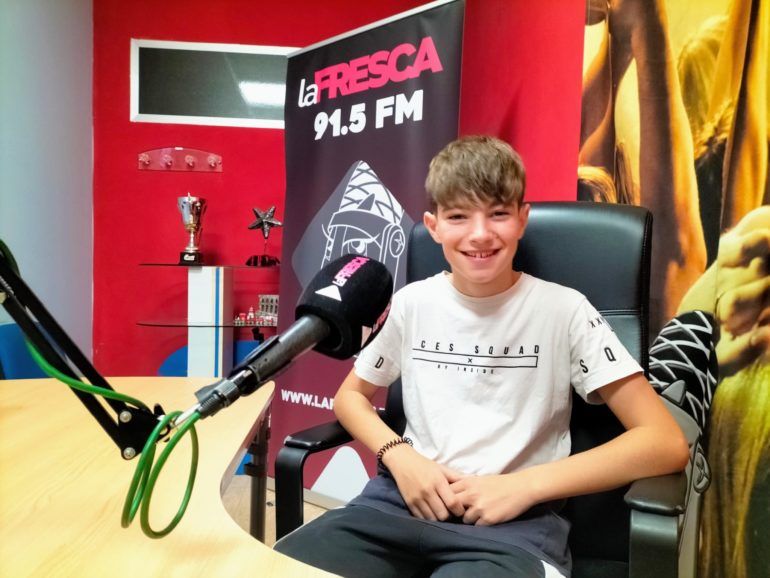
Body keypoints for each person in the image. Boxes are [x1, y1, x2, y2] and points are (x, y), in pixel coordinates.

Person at [274, 136, 689, 578]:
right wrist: (399, 456)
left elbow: (663, 442)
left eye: (498, 214)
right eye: (458, 216)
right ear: (433, 226)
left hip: (512, 530)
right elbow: (350, 397)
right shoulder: (412, 303)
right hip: (394, 508)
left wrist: (525, 486)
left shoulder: (565, 310)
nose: (479, 234)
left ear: (522, 219)